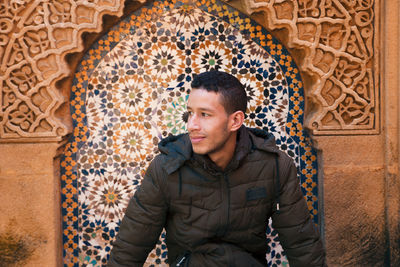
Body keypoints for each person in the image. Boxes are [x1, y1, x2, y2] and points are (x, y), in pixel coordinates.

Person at [107, 71, 326, 267]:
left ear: (235, 121)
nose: (192, 125)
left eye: (205, 114)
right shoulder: (167, 168)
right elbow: (129, 250)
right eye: (190, 113)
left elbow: (302, 245)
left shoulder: (274, 166)